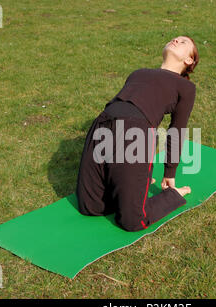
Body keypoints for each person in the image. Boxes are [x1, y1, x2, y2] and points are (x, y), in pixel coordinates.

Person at [76, 35, 199, 232]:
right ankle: (134, 183)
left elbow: (177, 129)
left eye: (183, 42)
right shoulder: (138, 73)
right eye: (175, 38)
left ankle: (172, 196)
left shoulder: (185, 87)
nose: (176, 40)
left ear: (189, 60)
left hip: (134, 133)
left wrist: (170, 172)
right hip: (102, 125)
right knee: (89, 206)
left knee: (133, 220)